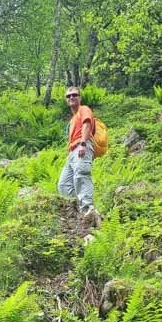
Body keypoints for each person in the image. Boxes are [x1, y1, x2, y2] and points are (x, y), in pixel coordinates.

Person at [58, 86, 101, 229]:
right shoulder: (72, 119)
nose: (71, 97)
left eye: (74, 95)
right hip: (72, 152)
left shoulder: (84, 110)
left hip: (82, 146)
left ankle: (88, 211)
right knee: (63, 184)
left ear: (79, 97)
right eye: (68, 96)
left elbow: (87, 124)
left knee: (81, 176)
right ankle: (78, 209)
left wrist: (83, 143)